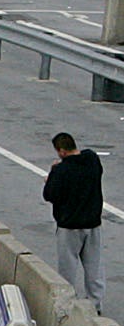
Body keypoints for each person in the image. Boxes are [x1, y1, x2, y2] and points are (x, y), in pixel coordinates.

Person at [49, 131, 106, 312]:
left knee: (67, 269)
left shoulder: (62, 170)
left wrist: (52, 174)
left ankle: (67, 306)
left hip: (69, 226)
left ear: (62, 151)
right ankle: (95, 304)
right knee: (94, 268)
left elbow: (49, 194)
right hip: (92, 224)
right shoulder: (92, 160)